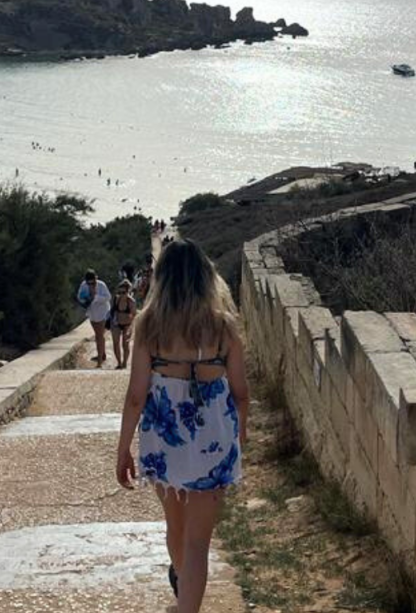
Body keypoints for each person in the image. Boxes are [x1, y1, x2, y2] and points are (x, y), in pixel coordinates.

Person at [116, 239, 250, 613]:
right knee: (197, 541)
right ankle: (187, 600)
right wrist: (239, 434)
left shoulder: (149, 325)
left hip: (164, 436)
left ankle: (184, 601)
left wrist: (123, 448)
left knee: (175, 528)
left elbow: (135, 396)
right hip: (214, 439)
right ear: (207, 277)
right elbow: (241, 392)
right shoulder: (225, 327)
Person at [77, 269, 112, 366]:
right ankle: (102, 354)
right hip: (92, 313)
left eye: (92, 282)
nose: (91, 284)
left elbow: (108, 297)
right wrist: (86, 299)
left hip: (102, 312)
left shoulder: (101, 285)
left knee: (99, 336)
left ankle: (100, 361)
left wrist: (96, 297)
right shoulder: (83, 285)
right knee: (99, 334)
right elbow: (79, 297)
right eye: (89, 283)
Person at [111, 279, 137, 369]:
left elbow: (134, 315)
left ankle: (125, 362)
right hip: (116, 323)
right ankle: (119, 363)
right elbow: (113, 311)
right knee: (115, 343)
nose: (122, 294)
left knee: (125, 344)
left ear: (128, 291)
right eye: (120, 292)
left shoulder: (131, 302)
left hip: (127, 324)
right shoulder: (116, 299)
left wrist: (131, 326)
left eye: (124, 292)